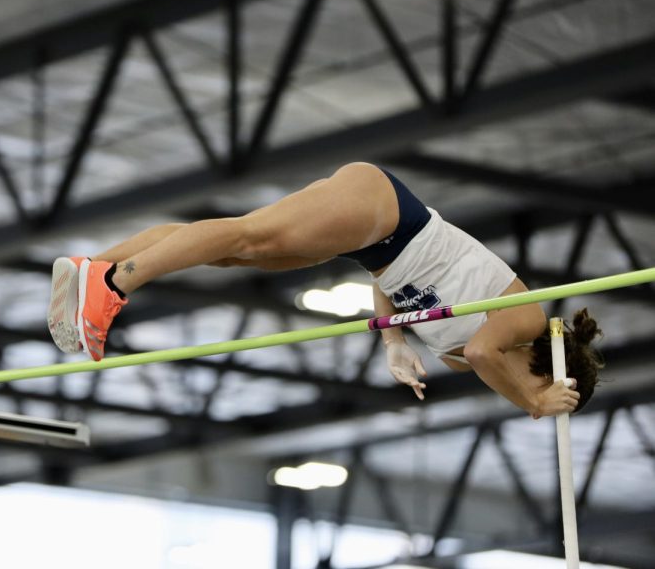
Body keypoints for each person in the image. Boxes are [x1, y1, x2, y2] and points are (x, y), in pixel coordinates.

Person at [47, 162, 602, 417]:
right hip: (387, 213)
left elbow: (394, 286)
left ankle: (92, 267)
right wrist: (534, 404)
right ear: (547, 368)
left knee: (238, 254)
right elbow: (485, 352)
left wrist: (394, 343)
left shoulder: (464, 360)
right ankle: (113, 285)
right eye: (536, 384)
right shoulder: (526, 321)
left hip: (375, 245)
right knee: (251, 238)